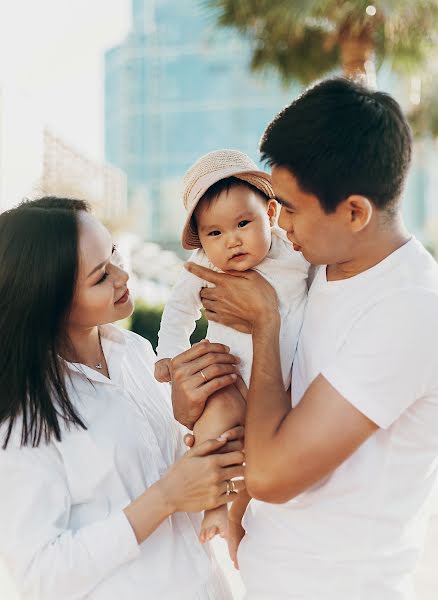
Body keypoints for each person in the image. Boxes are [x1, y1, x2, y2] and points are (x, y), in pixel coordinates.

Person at [172, 78, 438, 599]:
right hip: (272, 578)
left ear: (355, 212)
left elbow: (272, 473)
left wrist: (265, 324)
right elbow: (269, 404)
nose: (278, 221)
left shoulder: (410, 310)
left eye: (289, 207)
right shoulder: (322, 266)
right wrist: (195, 396)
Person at [0, 196, 246, 600]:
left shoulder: (132, 351)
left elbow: (175, 477)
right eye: (101, 277)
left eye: (114, 252)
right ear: (49, 300)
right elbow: (41, 575)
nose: (123, 275)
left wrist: (198, 424)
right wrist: (164, 498)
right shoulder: (22, 413)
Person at [155, 149, 309, 543]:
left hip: (283, 384)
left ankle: (240, 511)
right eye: (215, 233)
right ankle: (215, 507)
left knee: (262, 457)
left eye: (243, 223)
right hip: (227, 380)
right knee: (214, 435)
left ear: (270, 215)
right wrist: (169, 356)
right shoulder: (202, 266)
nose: (232, 241)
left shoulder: (294, 253)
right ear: (202, 239)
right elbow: (177, 312)